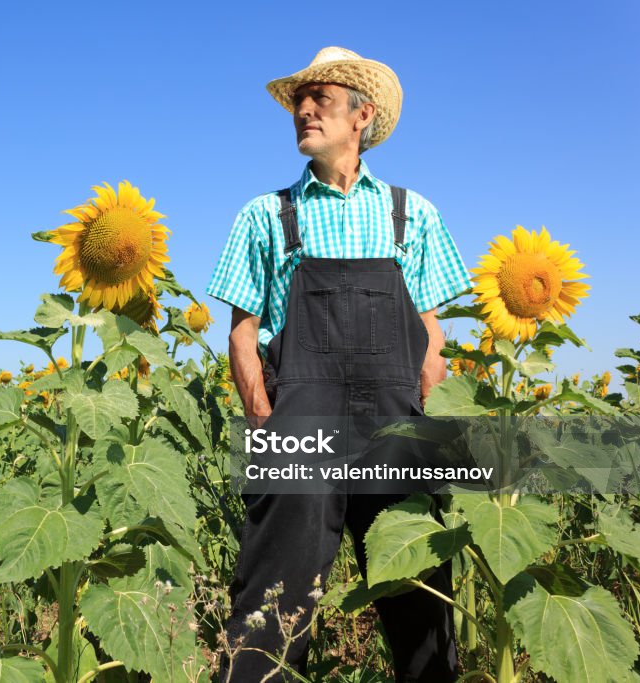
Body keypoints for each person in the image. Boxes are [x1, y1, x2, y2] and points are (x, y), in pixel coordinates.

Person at [206, 47, 473, 682]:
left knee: (420, 602)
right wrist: (267, 421)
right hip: (301, 422)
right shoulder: (266, 214)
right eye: (299, 101)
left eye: (319, 99)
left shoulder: (413, 213)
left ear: (362, 116)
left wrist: (419, 416)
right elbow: (243, 334)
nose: (303, 110)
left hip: (394, 429)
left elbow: (431, 336)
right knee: (270, 608)